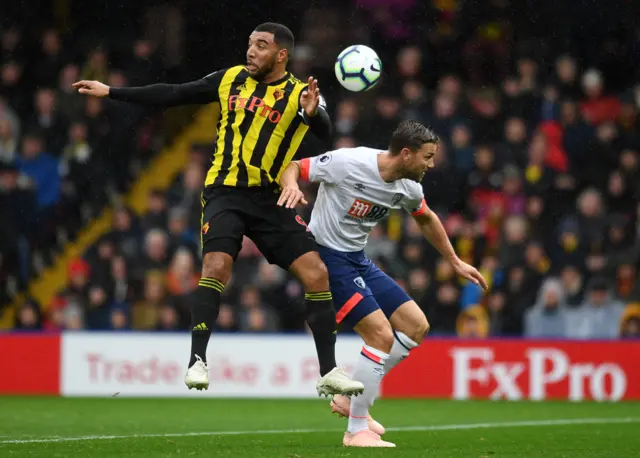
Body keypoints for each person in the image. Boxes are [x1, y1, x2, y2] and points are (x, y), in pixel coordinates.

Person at [73, 22, 363, 397]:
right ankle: (197, 360)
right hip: (224, 191)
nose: (252, 51)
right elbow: (175, 93)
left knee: (316, 272)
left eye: (261, 45)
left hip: (271, 198)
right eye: (250, 44)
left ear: (281, 55)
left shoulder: (300, 93)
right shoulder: (230, 79)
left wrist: (313, 113)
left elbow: (325, 131)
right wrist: (111, 91)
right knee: (216, 266)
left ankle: (328, 371)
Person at [278, 120, 488, 447]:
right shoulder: (349, 163)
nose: (431, 165)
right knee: (380, 335)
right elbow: (293, 167)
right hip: (326, 257)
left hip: (357, 259)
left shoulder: (408, 187)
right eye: (427, 157)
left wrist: (454, 261)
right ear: (406, 154)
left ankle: (354, 399)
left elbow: (426, 218)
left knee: (416, 325)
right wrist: (290, 186)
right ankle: (355, 430)